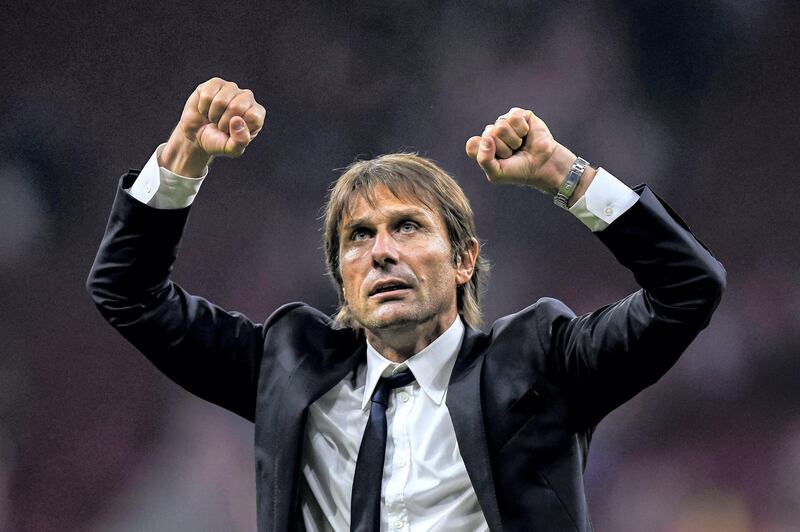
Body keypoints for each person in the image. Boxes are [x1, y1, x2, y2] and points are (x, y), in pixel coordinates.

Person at [87, 78, 725, 532]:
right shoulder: (289, 364)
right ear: (342, 276)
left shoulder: (538, 363)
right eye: (358, 238)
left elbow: (688, 287)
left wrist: (565, 172)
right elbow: (127, 290)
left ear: (465, 259)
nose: (382, 252)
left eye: (408, 227)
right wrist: (182, 157)